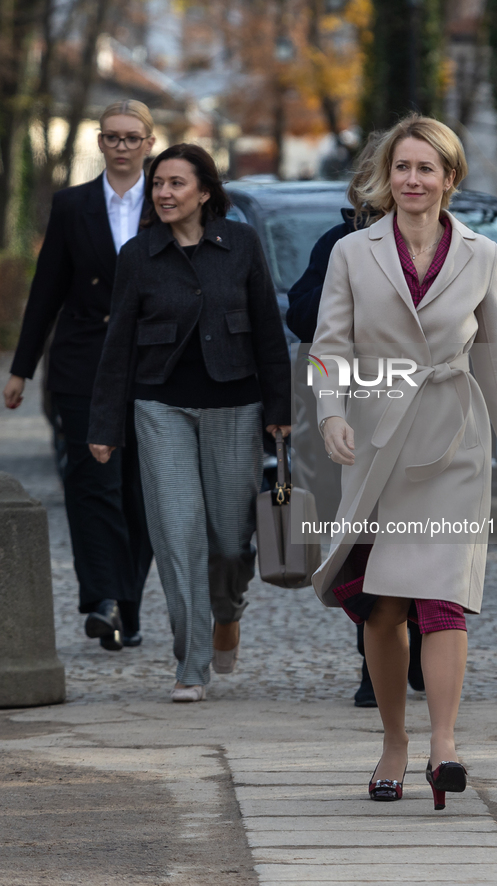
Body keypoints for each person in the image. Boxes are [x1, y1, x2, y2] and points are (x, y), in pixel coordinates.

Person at [311, 114, 497, 810]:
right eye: (401, 168)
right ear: (387, 177)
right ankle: (393, 744)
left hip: (454, 443)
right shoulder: (353, 252)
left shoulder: (482, 253)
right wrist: (331, 411)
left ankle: (443, 745)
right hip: (377, 442)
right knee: (383, 608)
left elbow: (495, 353)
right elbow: (329, 344)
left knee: (442, 599)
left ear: (449, 178)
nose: (411, 180)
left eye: (425, 168)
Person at [87, 143, 291, 701]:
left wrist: (280, 411)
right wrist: (104, 424)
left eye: (177, 183)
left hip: (235, 404)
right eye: (158, 184)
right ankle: (191, 665)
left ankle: (227, 610)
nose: (164, 193)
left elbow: (270, 332)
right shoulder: (138, 254)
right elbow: (118, 345)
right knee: (177, 535)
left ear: (205, 191)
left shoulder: (241, 244)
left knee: (230, 540)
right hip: (160, 407)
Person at [3, 99, 155, 651]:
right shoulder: (72, 206)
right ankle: (103, 601)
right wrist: (21, 369)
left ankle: (130, 602)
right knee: (92, 484)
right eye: (112, 137)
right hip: (82, 362)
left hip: (149, 365)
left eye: (131, 137)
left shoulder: (167, 201)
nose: (121, 146)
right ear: (99, 142)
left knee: (140, 489)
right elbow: (47, 291)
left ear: (148, 143)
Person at [287, 135, 425, 707]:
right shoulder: (339, 243)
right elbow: (302, 318)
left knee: (422, 536)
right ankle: (375, 667)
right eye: (386, 173)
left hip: (426, 413)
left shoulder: (442, 242)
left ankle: (422, 635)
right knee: (365, 545)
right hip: (359, 413)